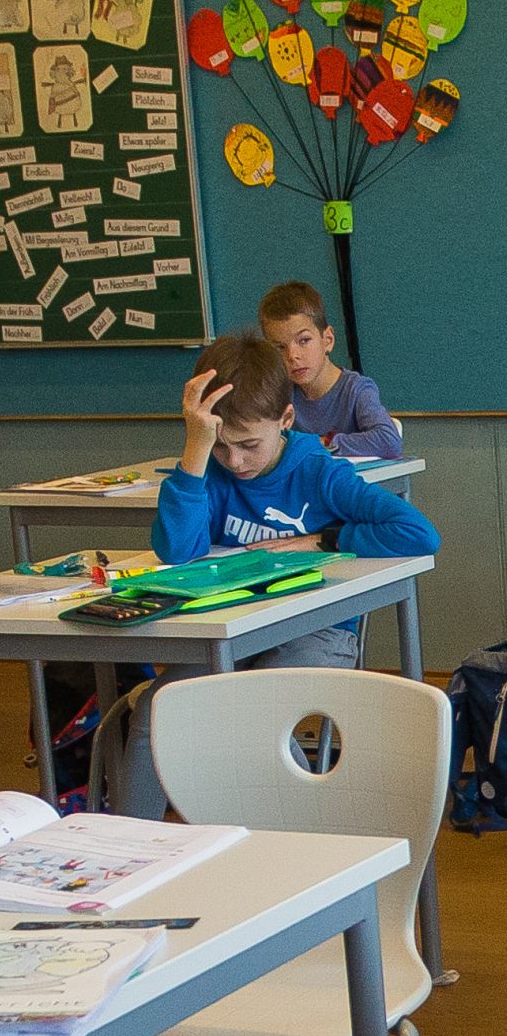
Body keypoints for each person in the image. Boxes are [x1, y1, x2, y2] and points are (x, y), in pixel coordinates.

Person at [122, 331, 438, 815]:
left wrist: (327, 538)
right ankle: (127, 855)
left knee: (254, 712)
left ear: (286, 419)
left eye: (249, 444)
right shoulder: (213, 467)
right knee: (158, 709)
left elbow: (417, 532)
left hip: (319, 631)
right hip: (238, 629)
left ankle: (302, 836)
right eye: (222, 446)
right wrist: (195, 449)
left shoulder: (317, 471)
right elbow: (176, 551)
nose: (237, 461)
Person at [257, 278, 403, 461]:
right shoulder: (280, 394)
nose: (292, 356)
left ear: (328, 340)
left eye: (304, 341)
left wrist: (320, 443)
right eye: (279, 347)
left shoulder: (357, 389)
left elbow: (389, 441)